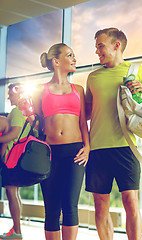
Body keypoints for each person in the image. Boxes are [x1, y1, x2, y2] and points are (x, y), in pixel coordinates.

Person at [85, 27, 142, 240]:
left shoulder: (136, 70)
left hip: (127, 147)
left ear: (116, 45)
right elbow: (87, 113)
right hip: (98, 147)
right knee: (101, 204)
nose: (97, 51)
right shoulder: (93, 77)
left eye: (100, 46)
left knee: (130, 200)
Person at [26, 43, 90, 240]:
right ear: (56, 61)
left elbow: (82, 122)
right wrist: (30, 119)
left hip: (75, 152)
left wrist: (87, 147)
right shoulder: (40, 90)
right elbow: (38, 125)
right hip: (49, 153)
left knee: (70, 205)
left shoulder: (78, 89)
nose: (74, 59)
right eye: (69, 55)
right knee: (51, 207)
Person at [0, 83, 31, 240]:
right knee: (15, 193)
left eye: (11, 94)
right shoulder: (24, 112)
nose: (8, 97)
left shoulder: (17, 111)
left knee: (11, 193)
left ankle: (17, 232)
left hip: (11, 158)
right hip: (17, 158)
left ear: (18, 95)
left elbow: (14, 134)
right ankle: (16, 229)